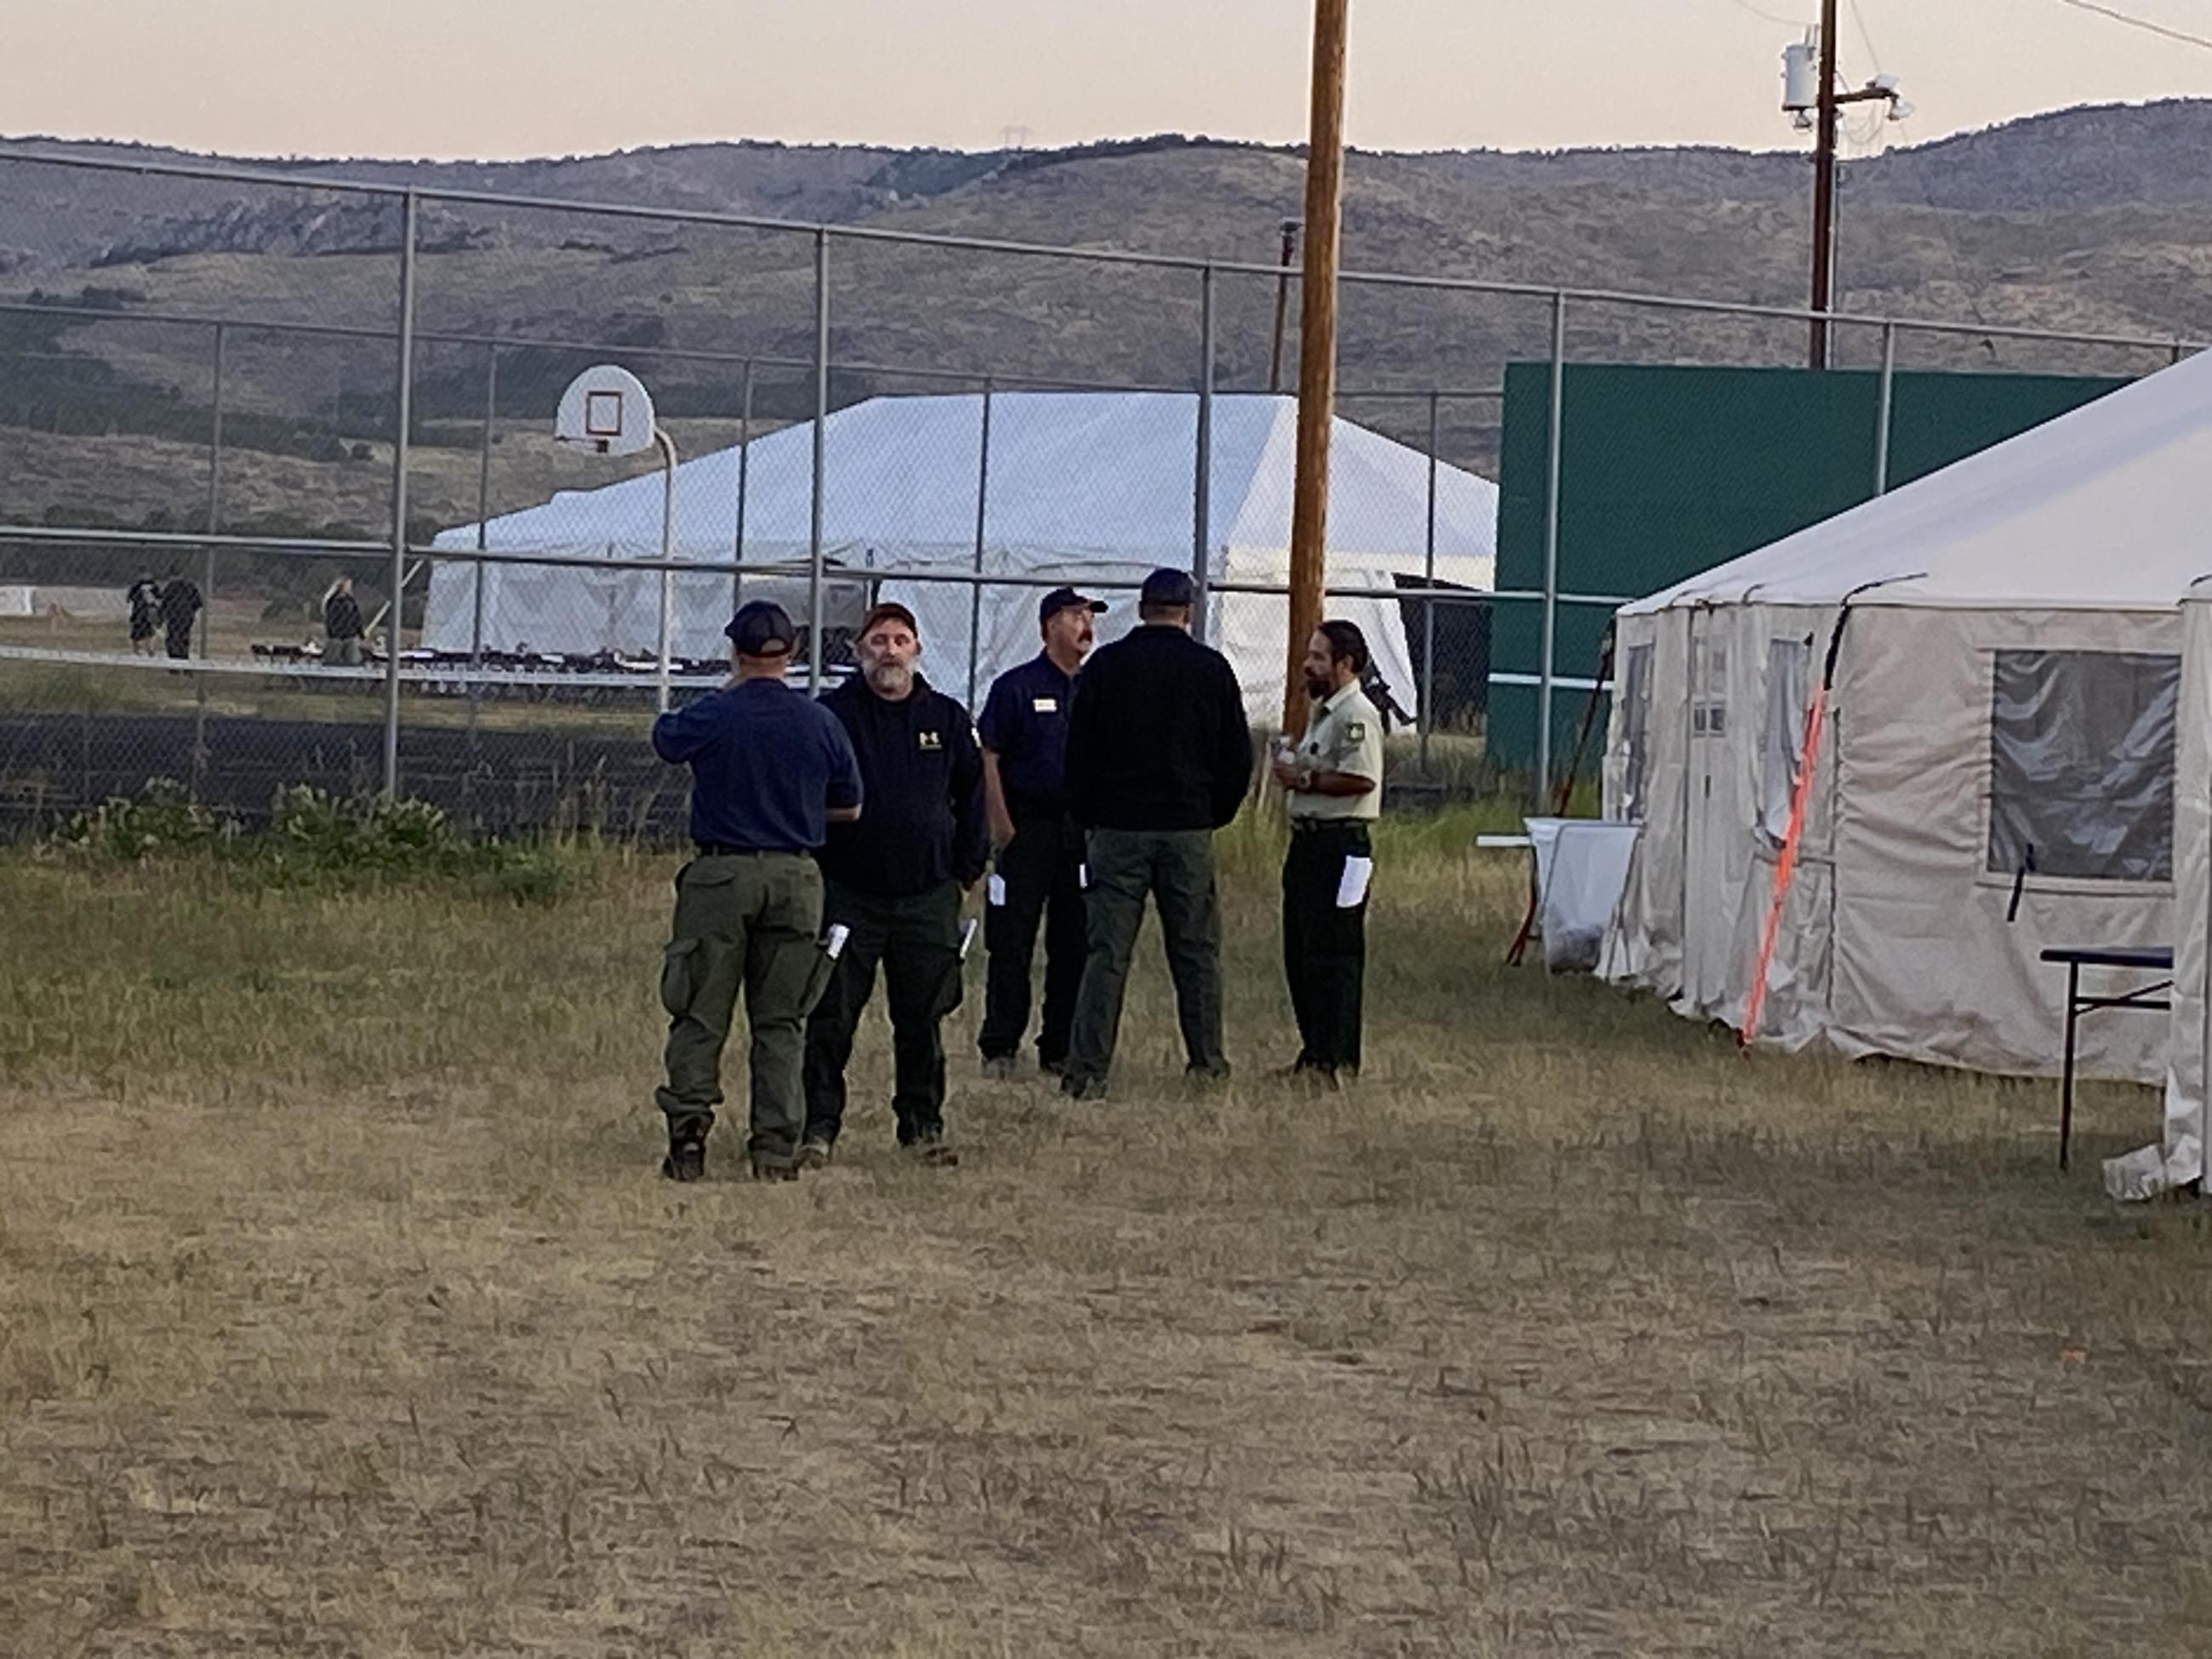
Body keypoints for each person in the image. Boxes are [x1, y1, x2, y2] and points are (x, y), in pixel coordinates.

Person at [648, 600, 864, 1183]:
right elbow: (850, 804)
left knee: (700, 1010)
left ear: (735, 652)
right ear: (791, 653)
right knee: (783, 1020)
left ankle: (690, 1136)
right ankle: (774, 1148)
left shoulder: (718, 712)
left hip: (722, 874)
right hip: (796, 877)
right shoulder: (820, 722)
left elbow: (665, 739)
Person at [802, 602, 988, 1166]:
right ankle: (816, 1130)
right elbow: (806, 792)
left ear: (916, 651)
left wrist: (966, 867)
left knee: (921, 1017)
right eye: (878, 640)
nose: (890, 650)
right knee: (830, 1015)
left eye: (901, 640)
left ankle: (922, 1127)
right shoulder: (831, 717)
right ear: (860, 653)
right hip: (847, 892)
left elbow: (973, 796)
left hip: (926, 894)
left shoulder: (948, 719)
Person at [1058, 568, 1253, 1100]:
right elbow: (1237, 756)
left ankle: (1088, 1071)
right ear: (1188, 611)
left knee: (1106, 952)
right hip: (1187, 826)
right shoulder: (1210, 670)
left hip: (1118, 826)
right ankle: (1207, 1063)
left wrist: (1090, 815)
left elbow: (1078, 753)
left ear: (1142, 608)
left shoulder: (1107, 667)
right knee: (1194, 950)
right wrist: (1213, 812)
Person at [975, 585, 1106, 1080]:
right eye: (1076, 615)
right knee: (1011, 940)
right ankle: (1000, 1045)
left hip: (1079, 832)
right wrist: (1000, 823)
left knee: (1073, 941)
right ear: (1051, 623)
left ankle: (1060, 1046)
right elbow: (990, 755)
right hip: (1026, 828)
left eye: (1090, 615)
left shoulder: (1097, 688)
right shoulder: (1018, 687)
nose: (1086, 624)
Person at [1272, 620, 1386, 1086]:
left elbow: (1362, 779)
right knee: (1301, 949)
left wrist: (1307, 780)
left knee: (1335, 951)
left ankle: (1338, 1060)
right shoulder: (1323, 714)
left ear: (1346, 664)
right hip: (1309, 842)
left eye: (1319, 657)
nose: (1308, 664)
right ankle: (1314, 1052)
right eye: (1309, 654)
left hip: (1342, 847)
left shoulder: (1356, 714)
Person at [157, 568, 202, 662]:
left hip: (174, 617)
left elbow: (164, 603)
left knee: (173, 638)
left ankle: (175, 659)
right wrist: (191, 612)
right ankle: (183, 657)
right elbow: (198, 603)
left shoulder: (171, 587)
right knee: (183, 636)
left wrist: (160, 618)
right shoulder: (190, 586)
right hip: (186, 616)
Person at [322, 576, 365, 668]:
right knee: (332, 662)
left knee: (354, 661)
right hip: (336, 637)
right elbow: (330, 620)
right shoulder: (333, 602)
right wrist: (333, 632)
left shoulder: (351, 602)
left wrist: (360, 633)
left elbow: (357, 618)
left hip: (350, 635)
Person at [126, 573, 162, 656]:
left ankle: (137, 649)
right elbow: (158, 599)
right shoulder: (154, 588)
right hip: (147, 613)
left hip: (137, 612)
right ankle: (148, 649)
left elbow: (129, 599)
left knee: (136, 633)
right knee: (148, 632)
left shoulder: (136, 588)